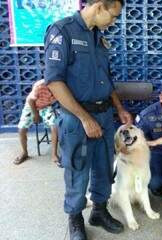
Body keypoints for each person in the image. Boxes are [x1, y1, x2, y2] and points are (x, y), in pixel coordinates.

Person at [44, 0, 132, 239]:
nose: (114, 21)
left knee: (105, 166)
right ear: (100, 7)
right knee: (78, 168)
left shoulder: (98, 37)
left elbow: (106, 78)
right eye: (113, 16)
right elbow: (54, 81)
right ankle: (75, 218)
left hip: (104, 115)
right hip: (77, 117)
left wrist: (119, 108)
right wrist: (85, 118)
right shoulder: (63, 31)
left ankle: (100, 212)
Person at [13, 79, 59, 166]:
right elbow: (30, 100)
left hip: (45, 107)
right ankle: (24, 152)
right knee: (21, 128)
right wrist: (36, 114)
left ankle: (54, 154)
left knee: (55, 126)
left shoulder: (61, 87)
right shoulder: (40, 85)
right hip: (31, 105)